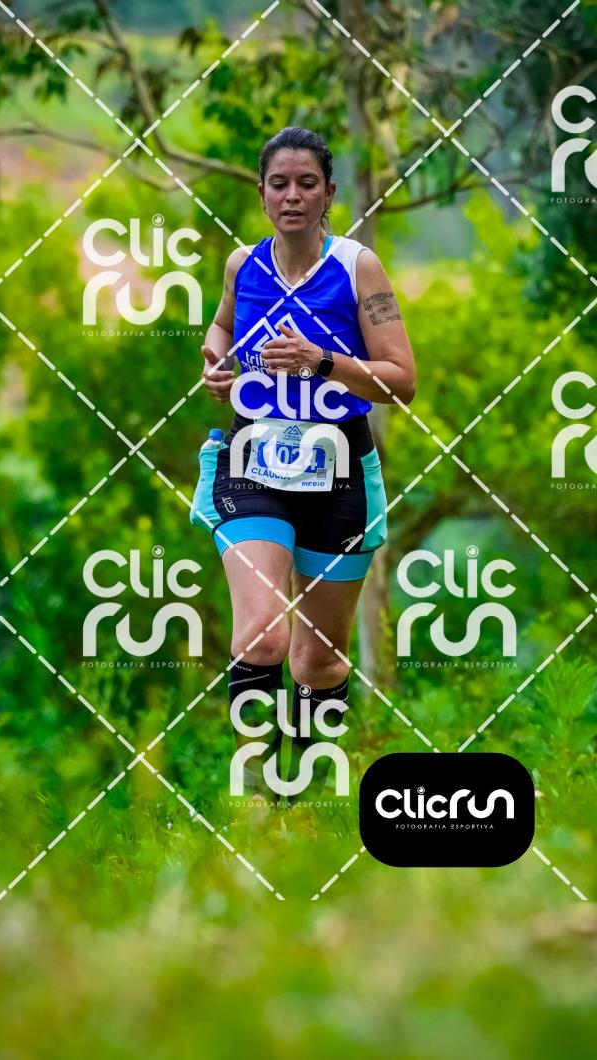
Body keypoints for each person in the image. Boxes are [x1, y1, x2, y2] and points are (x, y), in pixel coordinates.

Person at [191, 126, 416, 803]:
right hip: (252, 462)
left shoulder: (358, 268)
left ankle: (304, 804)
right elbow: (222, 326)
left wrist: (322, 362)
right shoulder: (242, 266)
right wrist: (216, 361)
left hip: (338, 470)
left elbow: (401, 381)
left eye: (307, 184)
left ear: (328, 194)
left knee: (318, 659)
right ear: (262, 194)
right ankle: (254, 800)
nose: (292, 196)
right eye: (279, 184)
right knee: (263, 634)